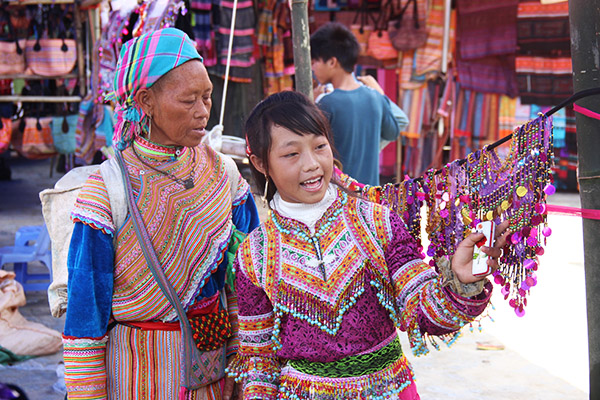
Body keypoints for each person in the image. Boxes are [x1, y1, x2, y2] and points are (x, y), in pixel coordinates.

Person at [227, 91, 510, 399]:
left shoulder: (379, 222)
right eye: (291, 154)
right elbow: (258, 359)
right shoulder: (253, 255)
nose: (312, 164)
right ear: (260, 162)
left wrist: (459, 285)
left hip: (389, 391)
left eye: (320, 146)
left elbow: (423, 310)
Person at [62, 28, 260, 399]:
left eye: (207, 97)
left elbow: (248, 285)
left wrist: (249, 371)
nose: (203, 112)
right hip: (136, 379)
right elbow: (86, 315)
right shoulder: (107, 192)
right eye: (188, 101)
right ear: (146, 100)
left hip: (216, 378)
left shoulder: (224, 177)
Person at [310, 22, 407, 186]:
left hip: (339, 196)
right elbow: (393, 133)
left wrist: (310, 104)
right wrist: (381, 94)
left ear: (332, 62)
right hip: (369, 195)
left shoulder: (327, 103)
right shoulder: (375, 97)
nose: (313, 68)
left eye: (315, 62)